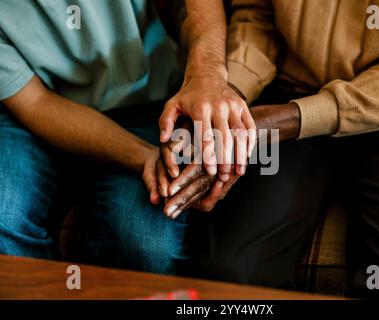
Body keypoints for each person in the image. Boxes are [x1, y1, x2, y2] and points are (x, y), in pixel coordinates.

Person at [160, 0, 379, 299]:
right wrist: (226, 101)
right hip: (288, 94)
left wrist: (288, 120)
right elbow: (258, 19)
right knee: (231, 274)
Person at [0, 0, 240, 275]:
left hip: (150, 99)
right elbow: (35, 102)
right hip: (32, 112)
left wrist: (206, 73)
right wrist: (141, 157)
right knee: (3, 219)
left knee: (146, 244)